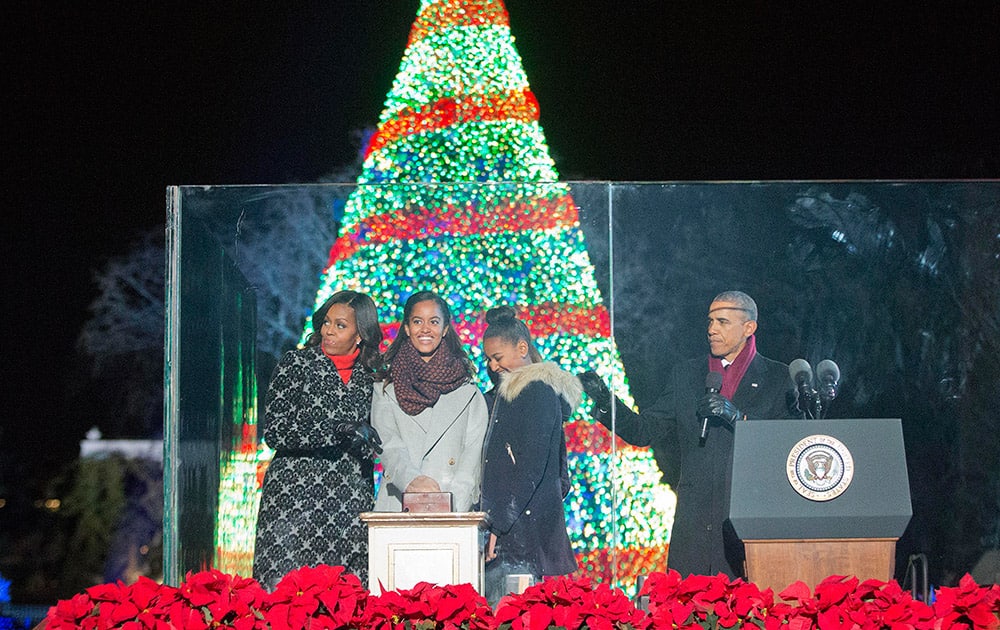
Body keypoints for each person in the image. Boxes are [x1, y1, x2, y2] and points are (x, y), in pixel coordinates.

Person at [579, 290, 793, 578]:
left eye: (722, 321)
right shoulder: (687, 375)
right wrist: (606, 402)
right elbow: (645, 431)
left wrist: (737, 418)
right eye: (709, 321)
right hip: (695, 527)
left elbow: (787, 445)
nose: (711, 329)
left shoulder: (779, 377)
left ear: (748, 328)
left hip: (749, 523)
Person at [253, 290, 384, 590]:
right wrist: (337, 428)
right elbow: (276, 430)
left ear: (360, 334)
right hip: (294, 503)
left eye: (340, 325)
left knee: (343, 600)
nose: (328, 331)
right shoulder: (296, 364)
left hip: (348, 506)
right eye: (327, 322)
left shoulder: (371, 377)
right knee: (285, 600)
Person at [480, 305, 579, 604]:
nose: (493, 366)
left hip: (521, 537)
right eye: (488, 359)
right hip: (519, 532)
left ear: (522, 348)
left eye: (497, 357)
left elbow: (530, 469)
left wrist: (498, 524)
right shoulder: (504, 396)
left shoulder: (535, 392)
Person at [372, 291, 488, 512]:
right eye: (417, 321)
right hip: (397, 509)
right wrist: (414, 485)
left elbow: (471, 462)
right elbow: (388, 445)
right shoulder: (385, 388)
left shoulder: (469, 394)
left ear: (445, 329)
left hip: (451, 512)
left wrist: (450, 506)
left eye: (434, 322)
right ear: (406, 328)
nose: (425, 329)